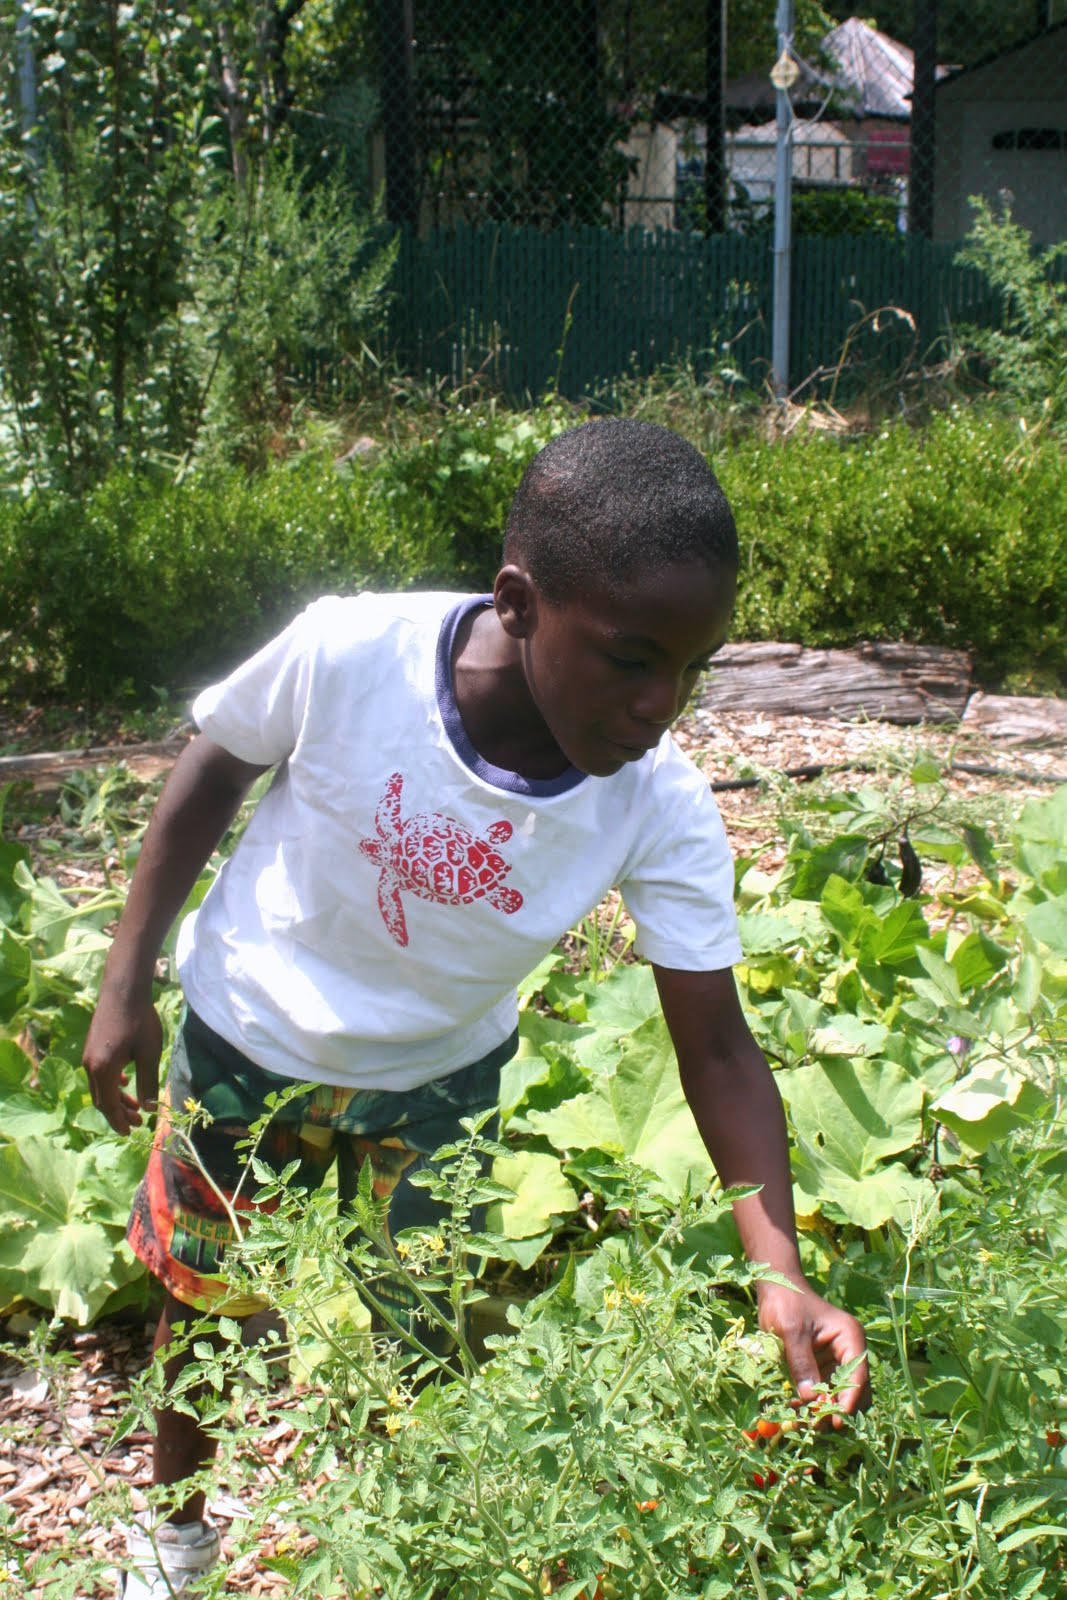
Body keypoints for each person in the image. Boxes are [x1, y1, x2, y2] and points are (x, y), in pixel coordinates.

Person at [83, 418, 869, 1598]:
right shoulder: (350, 654)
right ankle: (177, 1546)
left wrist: (781, 1269)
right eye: (630, 658)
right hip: (248, 1037)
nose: (659, 704)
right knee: (202, 1309)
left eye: (690, 669)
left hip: (438, 1088)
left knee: (427, 1328)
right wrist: (124, 980)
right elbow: (215, 761)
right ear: (517, 602)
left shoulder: (654, 802)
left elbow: (713, 1048)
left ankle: (407, 1551)